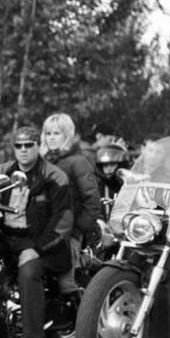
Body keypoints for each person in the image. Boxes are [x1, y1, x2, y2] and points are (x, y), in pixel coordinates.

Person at [0, 126, 73, 338]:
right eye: (19, 146)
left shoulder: (54, 176)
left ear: (38, 146)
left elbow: (63, 222)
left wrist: (36, 249)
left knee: (28, 273)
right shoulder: (0, 174)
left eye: (29, 145)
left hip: (44, 246)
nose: (23, 150)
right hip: (5, 241)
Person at [41, 113, 101, 295]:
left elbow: (92, 201)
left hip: (69, 234)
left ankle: (81, 308)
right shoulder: (40, 163)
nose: (52, 138)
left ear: (67, 136)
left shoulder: (78, 162)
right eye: (48, 133)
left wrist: (77, 231)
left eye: (57, 133)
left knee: (66, 286)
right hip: (42, 231)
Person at [95, 142, 131, 219]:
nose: (108, 169)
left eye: (112, 164)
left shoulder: (130, 186)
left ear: (121, 165)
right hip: (106, 224)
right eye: (105, 165)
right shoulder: (99, 186)